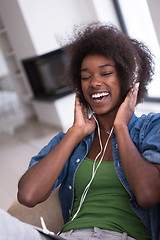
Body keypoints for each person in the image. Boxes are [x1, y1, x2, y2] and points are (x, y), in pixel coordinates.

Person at [0, 22, 160, 240]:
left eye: (106, 73)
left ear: (127, 80)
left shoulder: (151, 128)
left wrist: (121, 128)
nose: (94, 82)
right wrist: (76, 132)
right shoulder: (71, 139)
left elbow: (148, 194)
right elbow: (28, 195)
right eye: (86, 77)